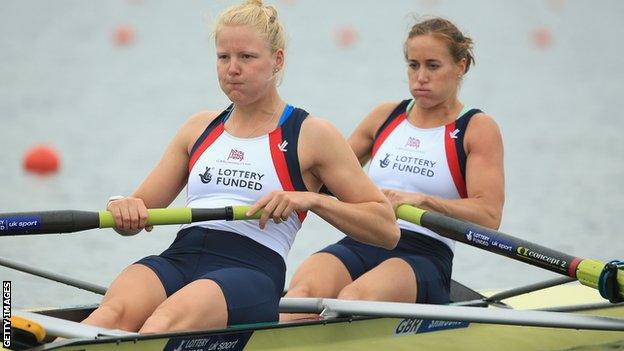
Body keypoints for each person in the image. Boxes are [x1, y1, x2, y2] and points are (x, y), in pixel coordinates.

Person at [81, 0, 399, 334]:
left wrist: (314, 201)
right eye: (223, 57)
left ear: (277, 60)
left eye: (246, 57)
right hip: (180, 257)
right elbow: (136, 216)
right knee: (108, 316)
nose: (232, 68)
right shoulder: (198, 128)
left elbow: (387, 229)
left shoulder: (311, 134)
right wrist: (123, 207)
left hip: (250, 270)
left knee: (162, 323)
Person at [282, 17, 504, 319]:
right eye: (413, 65)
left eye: (433, 65)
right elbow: (324, 176)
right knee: (300, 296)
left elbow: (489, 215)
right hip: (365, 237)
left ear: (461, 65)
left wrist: (423, 201)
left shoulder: (476, 128)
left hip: (423, 253)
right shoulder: (385, 116)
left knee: (352, 299)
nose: (420, 77)